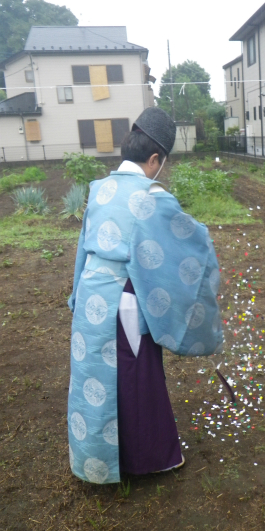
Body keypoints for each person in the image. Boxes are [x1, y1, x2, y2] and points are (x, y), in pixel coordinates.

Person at [67, 107, 223, 484]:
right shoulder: (150, 195)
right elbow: (190, 244)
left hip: (91, 296)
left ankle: (92, 458)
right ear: (154, 158)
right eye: (162, 163)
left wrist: (76, 297)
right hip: (124, 304)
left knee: (95, 377)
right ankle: (147, 459)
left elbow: (82, 250)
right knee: (136, 377)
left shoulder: (99, 188)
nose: (161, 170)